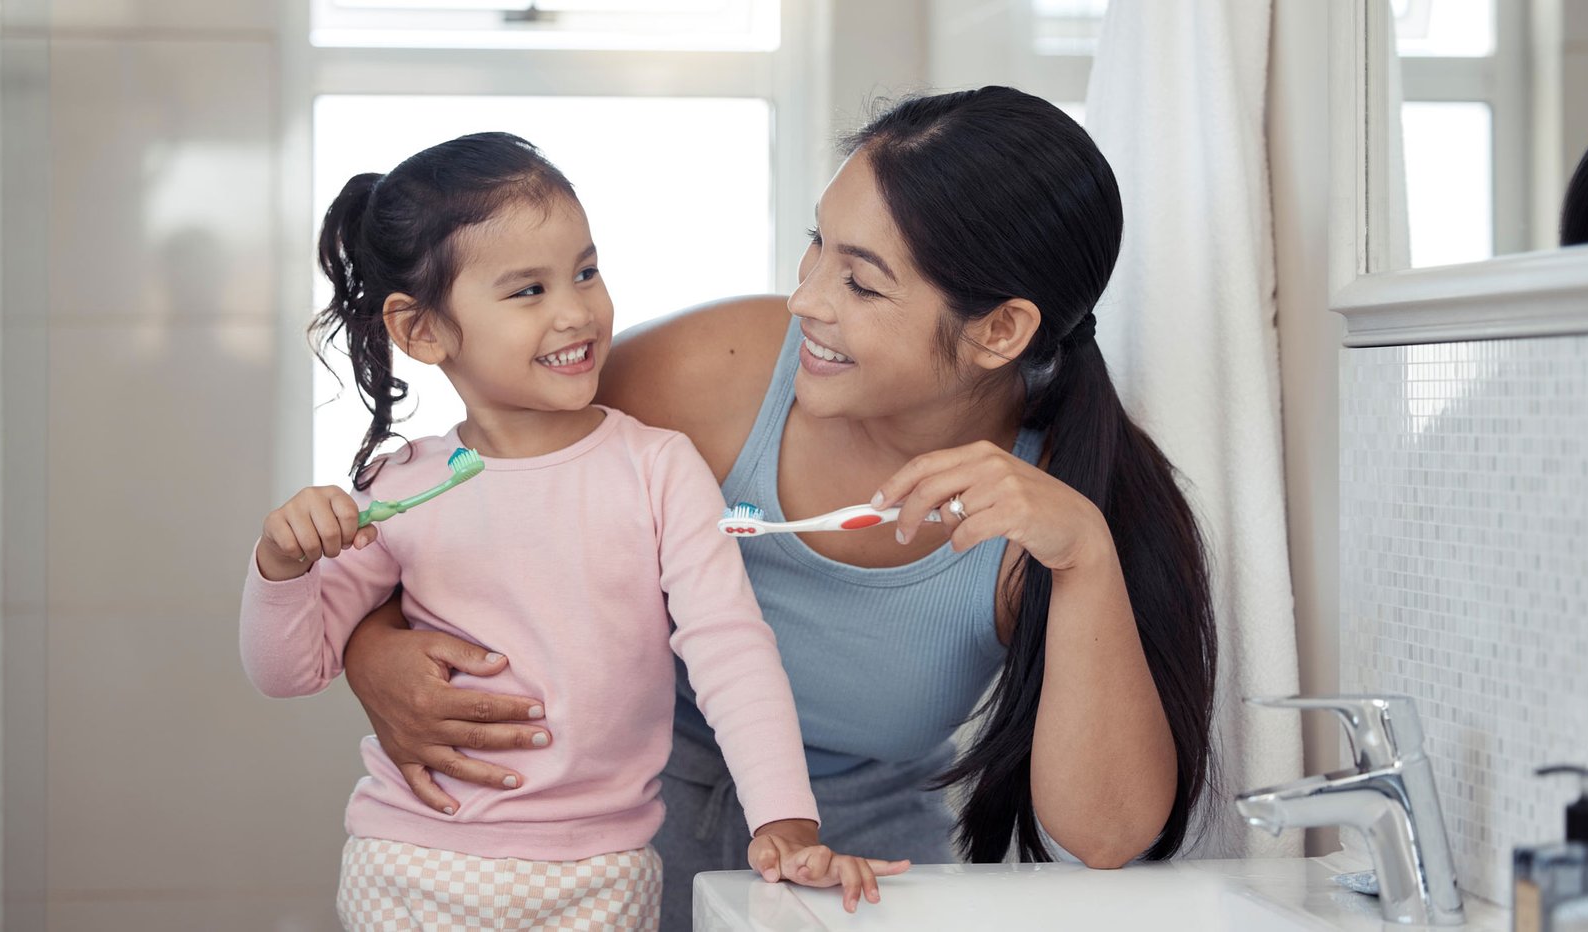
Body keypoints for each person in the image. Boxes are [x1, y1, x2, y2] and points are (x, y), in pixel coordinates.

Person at [340, 87, 1220, 930]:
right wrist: (370, 648)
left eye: (863, 284)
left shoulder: (1055, 511)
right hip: (611, 824)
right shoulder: (710, 372)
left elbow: (1104, 837)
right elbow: (467, 485)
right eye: (817, 247)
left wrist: (1086, 559)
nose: (806, 300)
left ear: (999, 331)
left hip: (857, 860)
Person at [238, 132, 904, 930]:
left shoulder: (659, 467)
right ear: (422, 332)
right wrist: (279, 566)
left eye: (585, 271)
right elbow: (289, 670)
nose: (576, 310)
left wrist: (784, 822)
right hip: (412, 866)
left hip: (603, 878)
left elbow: (729, 645)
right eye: (528, 291)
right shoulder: (401, 488)